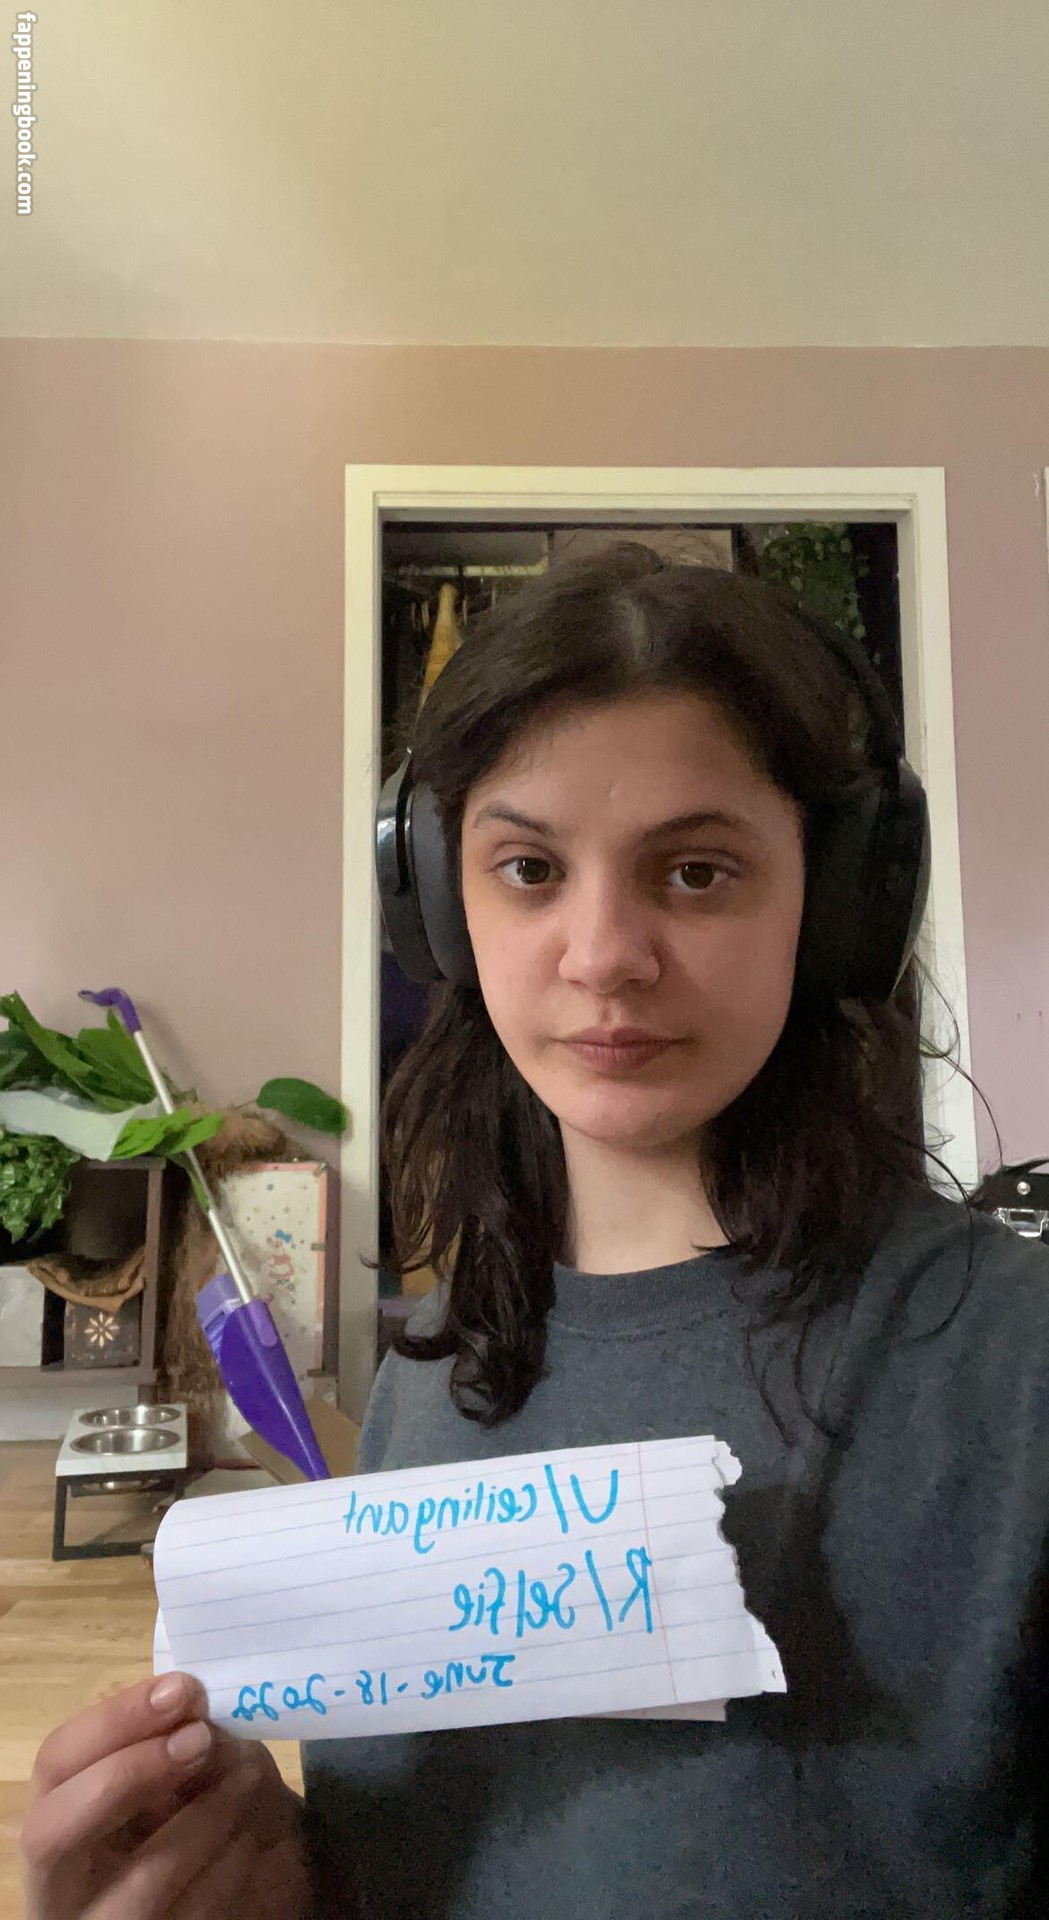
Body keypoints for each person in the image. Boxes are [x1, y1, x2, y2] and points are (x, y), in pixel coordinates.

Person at [23, 545, 1049, 1918]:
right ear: (442, 906)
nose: (602, 952)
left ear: (838, 901)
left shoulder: (1015, 1367)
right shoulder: (430, 1381)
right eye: (527, 867)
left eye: (696, 872)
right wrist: (282, 1880)